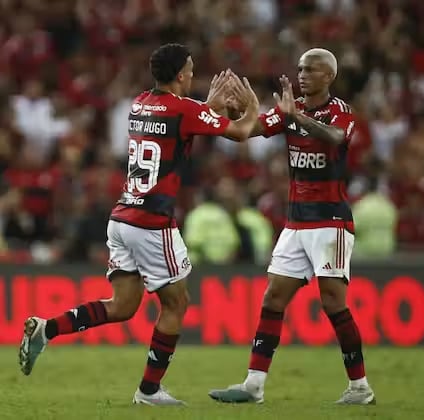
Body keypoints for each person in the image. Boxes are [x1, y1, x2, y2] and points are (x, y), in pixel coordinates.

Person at [18, 43, 260, 406]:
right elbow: (239, 132)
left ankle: (47, 329)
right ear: (181, 75)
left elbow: (181, 119)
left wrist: (206, 107)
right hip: (152, 223)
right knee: (177, 305)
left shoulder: (139, 104)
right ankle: (149, 391)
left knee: (122, 306)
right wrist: (253, 106)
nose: (193, 75)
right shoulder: (184, 109)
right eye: (191, 70)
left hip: (122, 217)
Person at [209, 48, 375, 405]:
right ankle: (253, 385)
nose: (302, 75)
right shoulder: (289, 109)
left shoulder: (340, 112)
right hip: (297, 223)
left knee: (333, 303)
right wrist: (233, 112)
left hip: (331, 222)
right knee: (273, 297)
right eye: (300, 69)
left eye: (310, 70)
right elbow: (248, 130)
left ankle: (360, 387)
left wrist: (296, 117)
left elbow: (335, 137)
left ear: (328, 76)